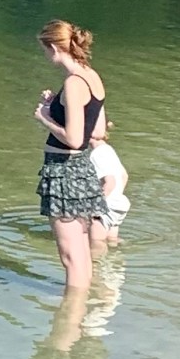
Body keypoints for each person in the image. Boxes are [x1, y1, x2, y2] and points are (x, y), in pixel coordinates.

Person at [33, 20, 109, 288]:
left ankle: (72, 309)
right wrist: (56, 105)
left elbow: (75, 139)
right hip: (83, 170)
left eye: (45, 50)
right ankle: (81, 306)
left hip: (63, 170)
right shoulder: (92, 76)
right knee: (81, 252)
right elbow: (98, 130)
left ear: (54, 48)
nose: (46, 56)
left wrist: (45, 117)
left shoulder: (74, 83)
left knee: (70, 256)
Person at [88, 141, 130, 252]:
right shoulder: (108, 149)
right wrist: (116, 195)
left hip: (105, 206)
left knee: (96, 246)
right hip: (118, 204)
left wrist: (94, 209)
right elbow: (124, 176)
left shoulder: (96, 153)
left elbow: (110, 182)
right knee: (112, 244)